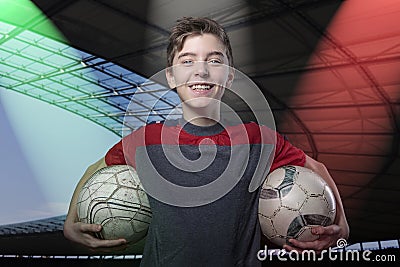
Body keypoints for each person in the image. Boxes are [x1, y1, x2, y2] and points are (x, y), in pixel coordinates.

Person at [64, 17, 349, 266]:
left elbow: (317, 169)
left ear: (229, 75)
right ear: (171, 76)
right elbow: (95, 169)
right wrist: (69, 224)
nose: (201, 71)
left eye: (214, 61)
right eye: (187, 61)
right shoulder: (146, 140)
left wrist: (343, 229)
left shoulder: (257, 139)